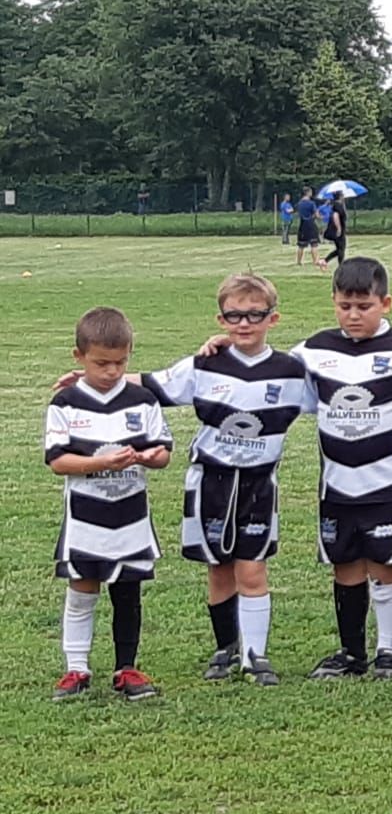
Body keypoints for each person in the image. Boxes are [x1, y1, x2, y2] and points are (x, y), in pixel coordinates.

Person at [195, 259, 392, 678]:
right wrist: (224, 345)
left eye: (364, 306)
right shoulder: (312, 350)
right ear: (333, 302)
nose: (353, 315)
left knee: (386, 564)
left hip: (388, 482)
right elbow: (264, 363)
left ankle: (389, 651)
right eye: (345, 305)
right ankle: (351, 652)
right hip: (335, 483)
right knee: (345, 565)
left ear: (385, 303)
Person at [111, 275, 308, 686]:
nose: (245, 323)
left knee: (252, 569)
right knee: (218, 567)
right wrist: (88, 380)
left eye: (255, 314)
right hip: (210, 481)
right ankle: (226, 648)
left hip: (258, 483)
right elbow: (151, 385)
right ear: (221, 318)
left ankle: (256, 656)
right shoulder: (204, 364)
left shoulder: (292, 371)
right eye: (235, 315)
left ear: (274, 318)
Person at [47, 307, 173, 702]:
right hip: (86, 519)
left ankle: (127, 667)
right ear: (79, 356)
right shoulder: (65, 403)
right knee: (82, 591)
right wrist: (101, 463)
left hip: (130, 518)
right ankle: (76, 668)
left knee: (127, 593)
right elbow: (57, 461)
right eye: (102, 363)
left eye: (120, 363)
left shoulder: (142, 400)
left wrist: (152, 458)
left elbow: (163, 451)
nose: (112, 371)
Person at [294, 187, 320, 267]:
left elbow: (296, 212)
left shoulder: (299, 203)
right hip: (310, 224)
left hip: (302, 224)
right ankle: (315, 261)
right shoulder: (311, 203)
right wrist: (318, 216)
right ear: (308, 193)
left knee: (301, 245)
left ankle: (299, 261)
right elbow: (316, 215)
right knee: (314, 244)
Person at [322, 194, 348, 267]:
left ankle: (326, 260)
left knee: (340, 249)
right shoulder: (337, 205)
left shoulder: (339, 205)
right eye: (343, 195)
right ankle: (341, 265)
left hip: (339, 229)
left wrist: (343, 204)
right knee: (341, 248)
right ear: (340, 196)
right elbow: (335, 216)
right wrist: (339, 228)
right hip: (338, 230)